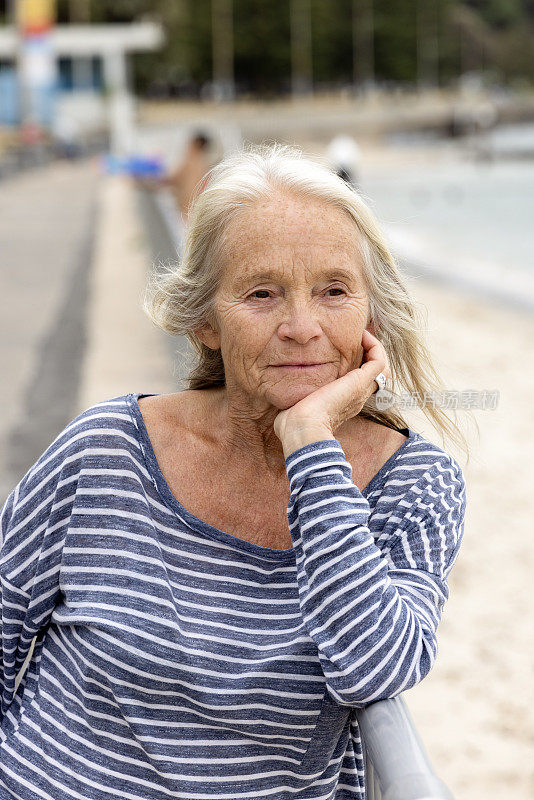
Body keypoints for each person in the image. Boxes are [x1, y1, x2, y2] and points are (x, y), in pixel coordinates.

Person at [0, 143, 467, 799]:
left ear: (372, 313)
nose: (301, 326)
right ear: (205, 322)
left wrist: (308, 443)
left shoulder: (415, 483)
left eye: (334, 290)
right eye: (261, 293)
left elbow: (375, 667)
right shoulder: (105, 449)